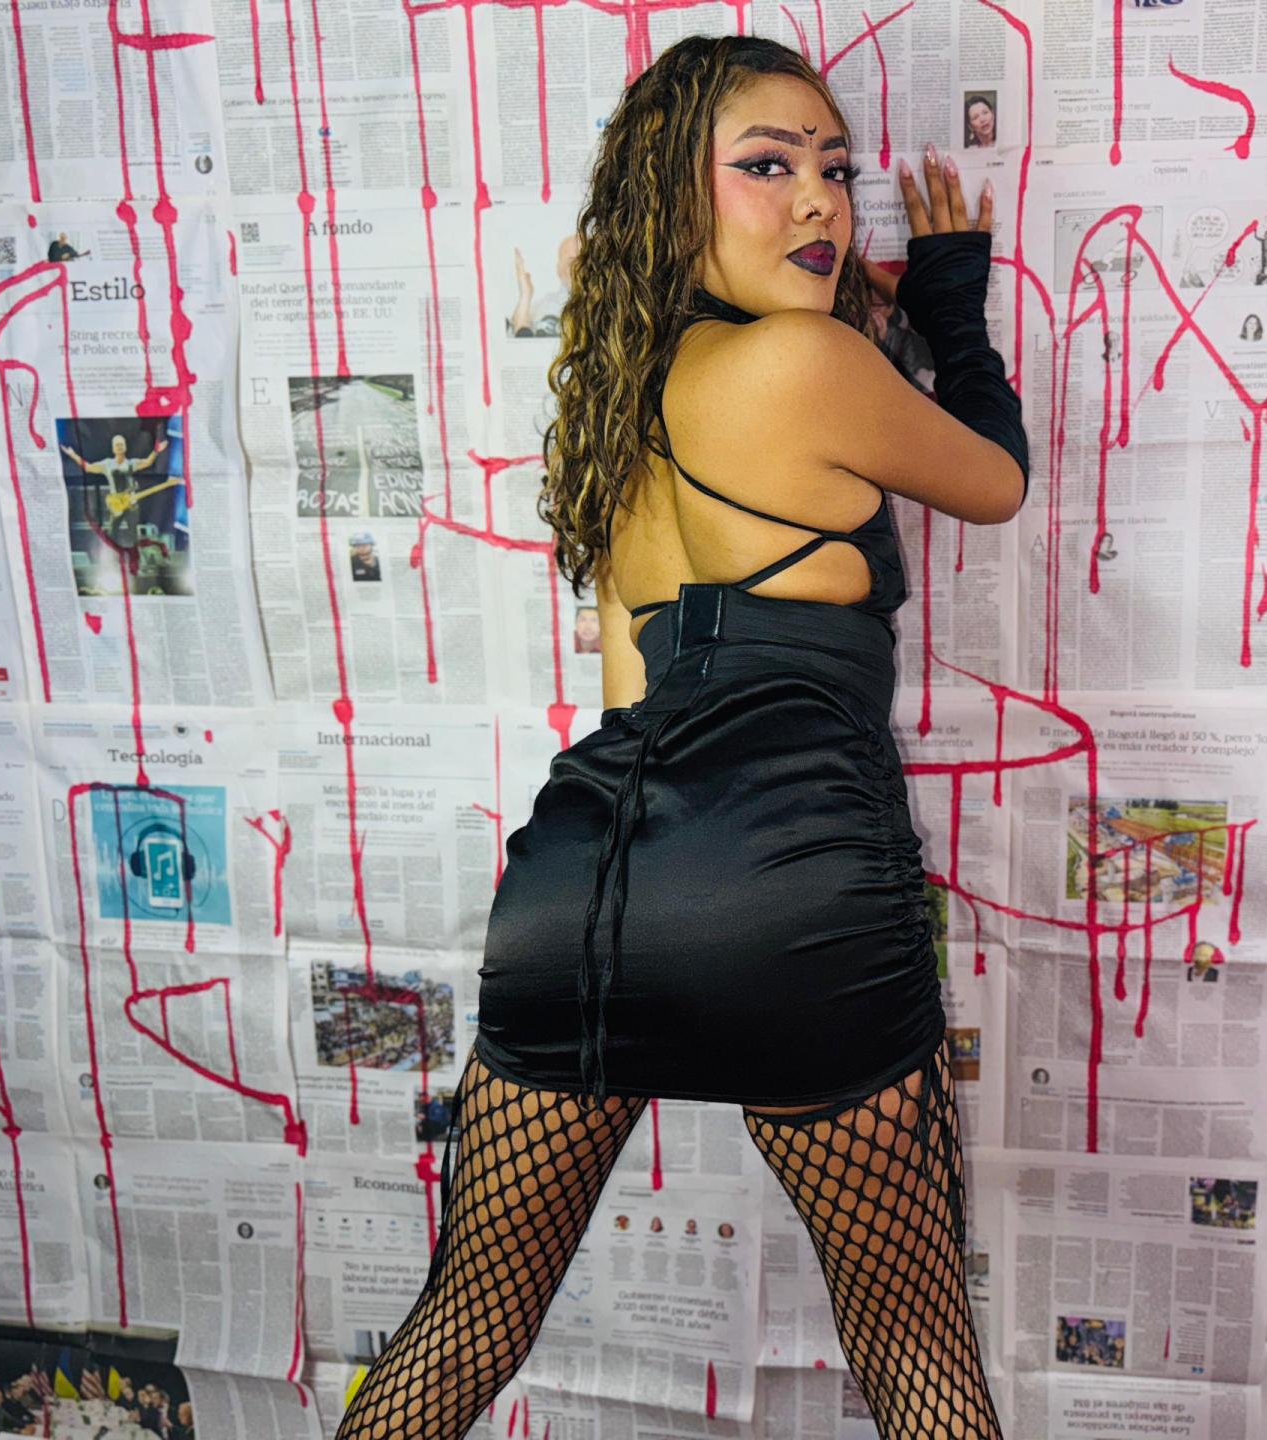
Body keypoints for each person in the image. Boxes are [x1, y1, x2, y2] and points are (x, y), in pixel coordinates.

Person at [335, 37, 1026, 1440]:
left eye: (834, 169)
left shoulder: (618, 410)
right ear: (674, 191)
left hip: (578, 888)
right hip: (792, 886)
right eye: (768, 165)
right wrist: (951, 297)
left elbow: (630, 697)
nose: (820, 199)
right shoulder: (806, 360)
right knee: (912, 1346)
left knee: (465, 1321)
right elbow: (996, 478)